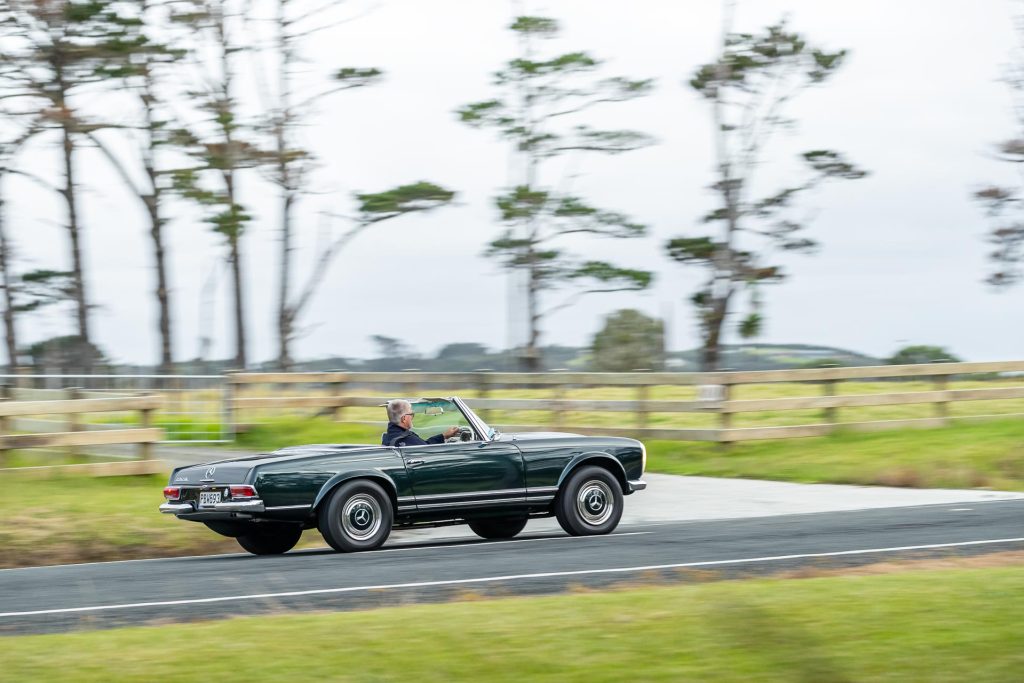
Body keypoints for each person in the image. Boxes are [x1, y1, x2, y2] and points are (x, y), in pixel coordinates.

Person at [382, 399, 460, 447]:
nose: (413, 417)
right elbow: (427, 448)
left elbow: (424, 444)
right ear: (404, 419)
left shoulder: (389, 436)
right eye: (412, 414)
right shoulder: (406, 439)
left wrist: (444, 436)